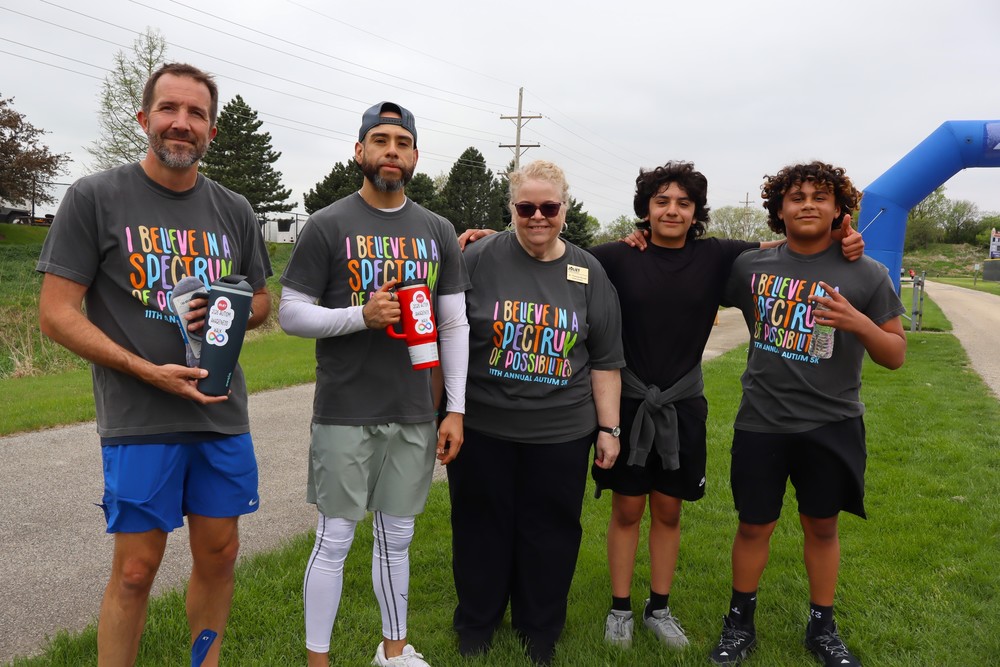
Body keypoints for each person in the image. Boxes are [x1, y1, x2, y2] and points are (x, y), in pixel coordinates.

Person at [36, 62, 272, 666]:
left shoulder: (235, 209)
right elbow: (57, 314)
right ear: (144, 118)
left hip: (221, 413)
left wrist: (230, 309)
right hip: (140, 415)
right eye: (169, 109)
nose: (181, 123)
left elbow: (262, 301)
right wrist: (146, 370)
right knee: (137, 569)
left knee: (219, 556)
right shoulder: (95, 197)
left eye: (196, 114)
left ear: (211, 131)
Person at [589, 162, 864, 651]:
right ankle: (619, 609)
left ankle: (660, 607)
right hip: (628, 403)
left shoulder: (720, 257)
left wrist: (847, 235)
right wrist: (489, 236)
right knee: (628, 509)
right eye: (661, 201)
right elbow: (549, 256)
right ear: (645, 209)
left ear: (696, 211)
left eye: (683, 203)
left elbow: (788, 250)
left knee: (669, 511)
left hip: (683, 403)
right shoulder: (615, 256)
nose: (672, 210)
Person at [278, 101, 470, 667]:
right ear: (359, 151)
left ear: (415, 156)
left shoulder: (437, 230)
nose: (392, 150)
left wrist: (453, 409)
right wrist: (359, 317)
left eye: (402, 142)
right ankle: (319, 660)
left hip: (413, 409)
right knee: (334, 539)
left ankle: (393, 652)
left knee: (397, 539)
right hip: (345, 408)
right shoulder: (328, 223)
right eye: (380, 140)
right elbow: (290, 314)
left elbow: (454, 322)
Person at [709, 161, 905, 666]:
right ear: (778, 210)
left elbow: (895, 354)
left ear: (840, 208)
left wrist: (858, 321)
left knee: (822, 526)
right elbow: (689, 277)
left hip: (833, 422)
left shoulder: (866, 272)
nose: (809, 204)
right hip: (762, 420)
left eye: (821, 196)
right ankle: (739, 624)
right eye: (796, 197)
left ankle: (822, 627)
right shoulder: (750, 267)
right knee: (754, 525)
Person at [448, 160, 624, 665]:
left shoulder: (589, 271)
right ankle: (477, 622)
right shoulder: (478, 258)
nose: (538, 217)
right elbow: (450, 335)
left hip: (562, 431)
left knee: (550, 531)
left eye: (549, 207)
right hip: (485, 426)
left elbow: (607, 360)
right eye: (526, 207)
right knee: (481, 527)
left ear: (564, 208)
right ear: (512, 209)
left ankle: (540, 627)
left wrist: (609, 429)